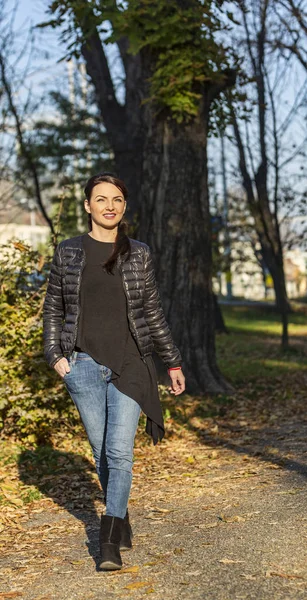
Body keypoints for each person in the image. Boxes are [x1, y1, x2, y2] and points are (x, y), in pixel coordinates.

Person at [42, 172, 185, 571]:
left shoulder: (137, 252)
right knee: (101, 452)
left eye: (117, 199)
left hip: (131, 362)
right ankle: (120, 516)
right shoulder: (68, 252)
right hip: (83, 364)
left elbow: (152, 312)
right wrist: (56, 356)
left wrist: (171, 361)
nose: (110, 206)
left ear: (124, 206)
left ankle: (107, 541)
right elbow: (54, 309)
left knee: (120, 451)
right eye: (101, 199)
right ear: (87, 205)